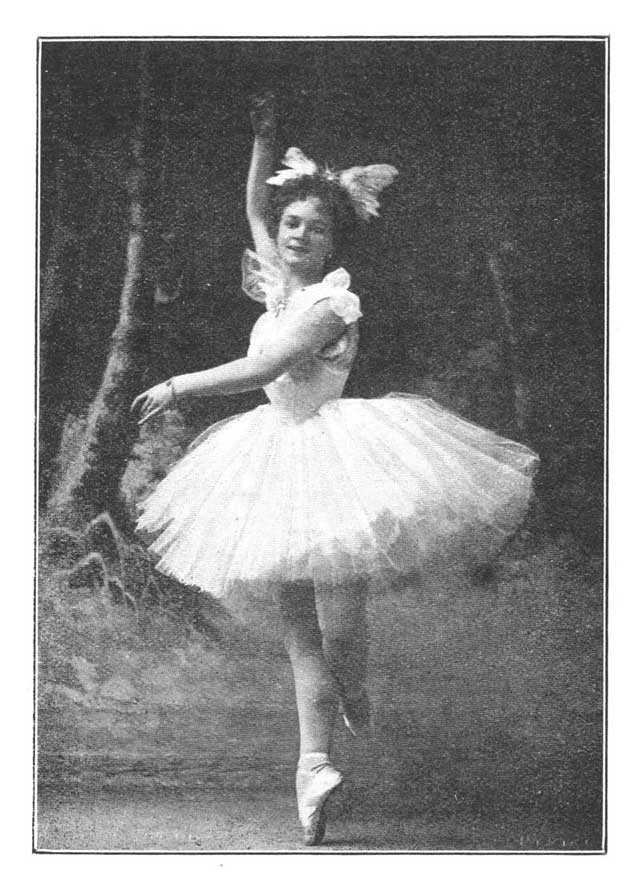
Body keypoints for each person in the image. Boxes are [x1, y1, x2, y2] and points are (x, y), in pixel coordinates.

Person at [131, 95, 538, 846]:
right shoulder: (279, 281)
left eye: (313, 229)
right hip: (270, 458)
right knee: (299, 638)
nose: (296, 234)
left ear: (330, 244)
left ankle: (353, 692)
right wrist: (263, 140)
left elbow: (267, 366)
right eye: (291, 223)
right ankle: (313, 769)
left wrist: (180, 385)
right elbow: (254, 205)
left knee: (340, 631)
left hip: (335, 458)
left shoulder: (331, 304)